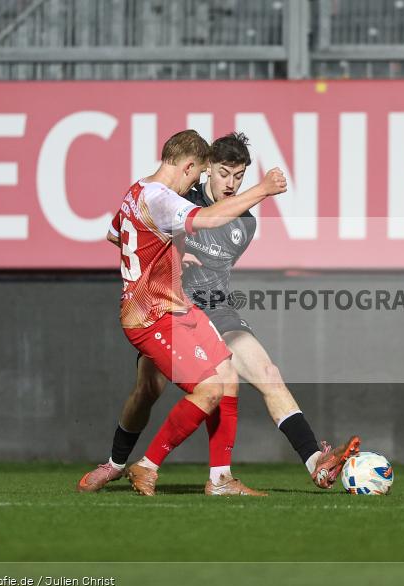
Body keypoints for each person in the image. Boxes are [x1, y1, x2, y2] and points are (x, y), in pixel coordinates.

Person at [79, 132, 360, 496]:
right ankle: (117, 464)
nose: (231, 183)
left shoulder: (245, 223)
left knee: (264, 372)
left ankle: (312, 463)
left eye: (239, 175)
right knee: (148, 389)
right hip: (170, 307)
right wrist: (174, 256)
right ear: (205, 169)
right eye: (224, 173)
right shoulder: (176, 194)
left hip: (211, 307)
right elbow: (162, 226)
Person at [91, 129, 286, 496]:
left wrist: (171, 253)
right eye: (196, 177)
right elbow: (210, 220)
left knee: (228, 374)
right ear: (190, 165)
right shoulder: (163, 199)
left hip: (176, 306)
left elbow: (116, 234)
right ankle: (144, 465)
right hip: (152, 313)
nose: (194, 184)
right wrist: (261, 190)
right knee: (205, 390)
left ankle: (221, 479)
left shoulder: (136, 191)